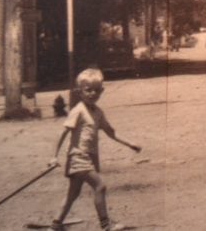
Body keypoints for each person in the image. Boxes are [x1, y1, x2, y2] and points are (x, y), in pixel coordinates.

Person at [49, 67, 141, 231]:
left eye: (97, 90)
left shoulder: (98, 112)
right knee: (100, 186)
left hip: (91, 158)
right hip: (78, 157)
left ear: (102, 90)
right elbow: (63, 133)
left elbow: (111, 132)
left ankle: (56, 225)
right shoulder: (78, 111)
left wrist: (130, 143)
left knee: (72, 194)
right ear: (79, 91)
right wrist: (54, 157)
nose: (93, 94)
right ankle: (105, 225)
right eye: (88, 90)